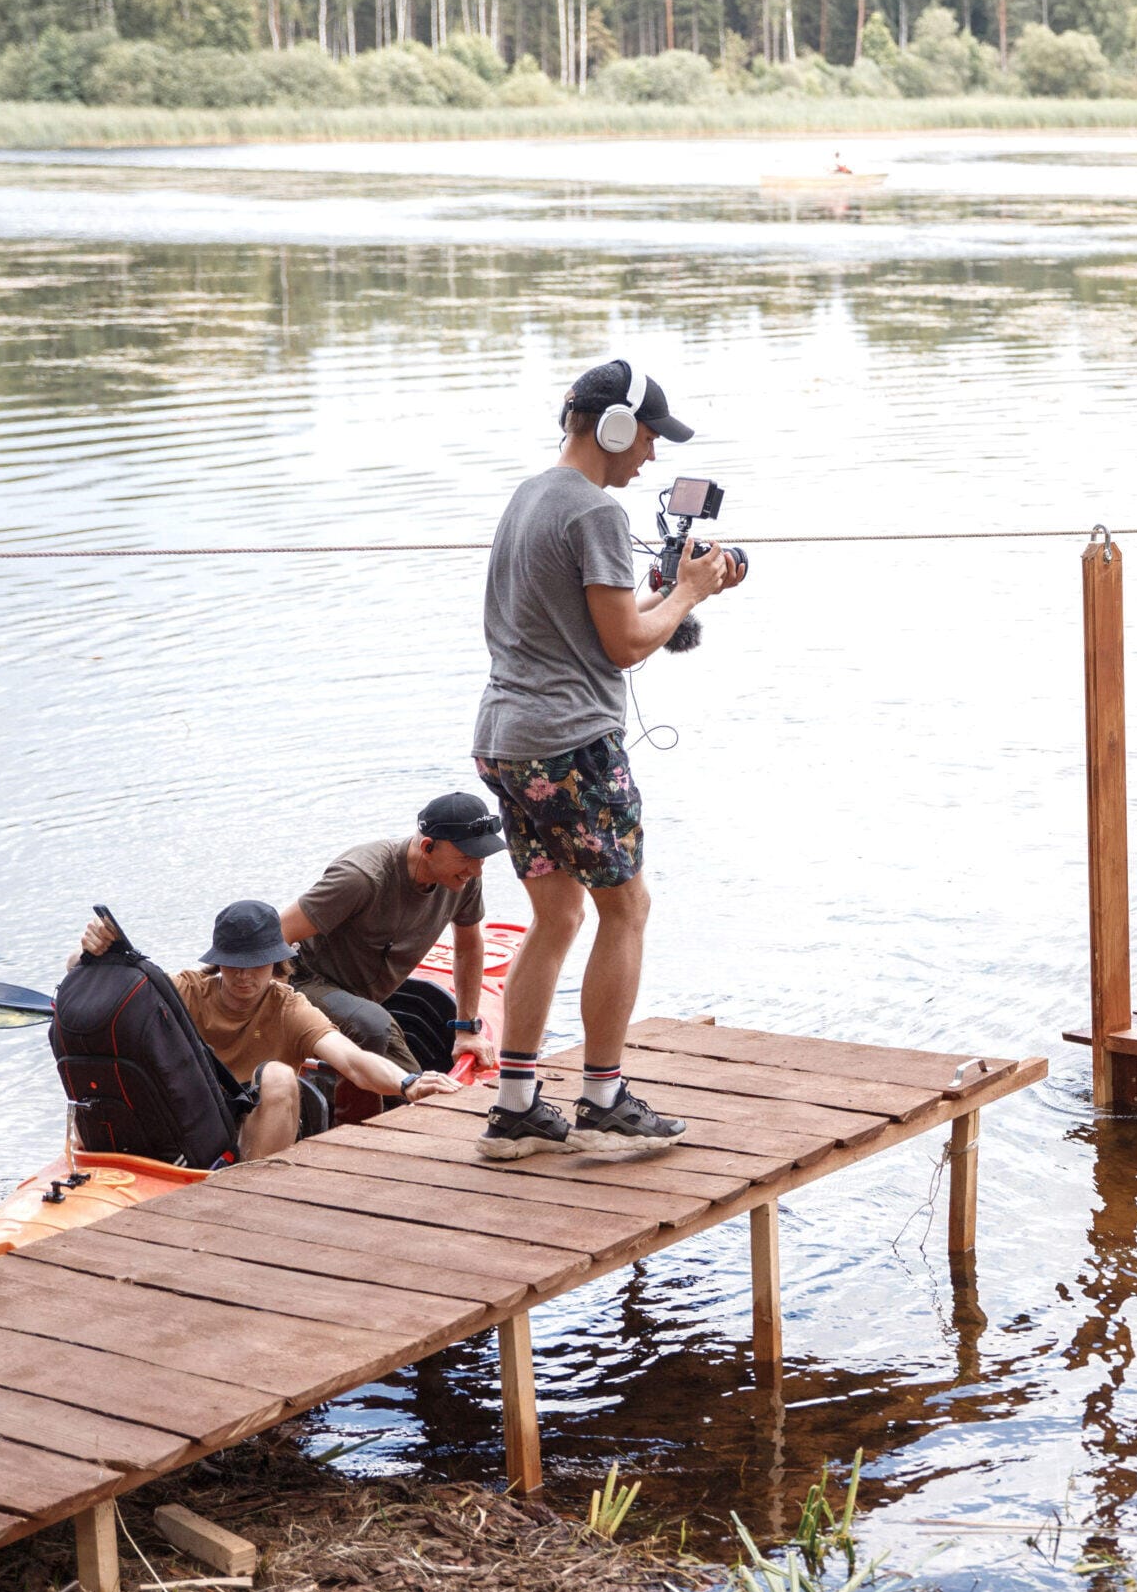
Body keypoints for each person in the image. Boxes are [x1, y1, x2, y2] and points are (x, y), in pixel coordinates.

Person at [473, 357, 742, 1159]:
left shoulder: (529, 496)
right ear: (616, 426)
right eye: (649, 438)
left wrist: (680, 589)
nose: (652, 457)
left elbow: (593, 632)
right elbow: (624, 645)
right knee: (627, 908)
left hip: (505, 740)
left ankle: (516, 1109)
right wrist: (687, 596)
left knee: (556, 915)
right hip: (569, 745)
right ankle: (603, 1099)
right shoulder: (591, 513)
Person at [70, 903, 461, 1161]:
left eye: (255, 964)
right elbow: (99, 987)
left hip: (259, 1129)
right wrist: (88, 954)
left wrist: (408, 1081)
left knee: (276, 1073)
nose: (242, 976)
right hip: (189, 1122)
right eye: (233, 964)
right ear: (217, 961)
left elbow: (352, 1061)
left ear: (276, 961)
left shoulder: (289, 1007)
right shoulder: (187, 990)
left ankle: (248, 1190)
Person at [281, 793, 506, 1075]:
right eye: (466, 858)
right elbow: (278, 933)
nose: (475, 870)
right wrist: (274, 1015)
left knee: (376, 1020)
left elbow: (468, 948)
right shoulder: (360, 877)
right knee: (374, 1026)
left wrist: (466, 1029)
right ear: (427, 847)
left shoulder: (465, 879)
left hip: (367, 994)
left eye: (481, 857)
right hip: (306, 981)